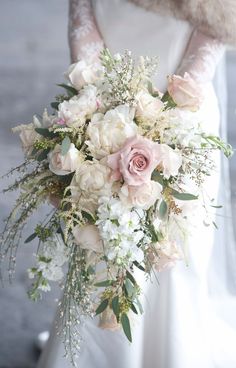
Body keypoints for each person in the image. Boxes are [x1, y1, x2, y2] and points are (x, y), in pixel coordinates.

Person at [37, 1, 236, 367]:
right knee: (97, 238)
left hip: (183, 106)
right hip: (104, 89)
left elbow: (221, 19)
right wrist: (92, 94)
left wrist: (169, 117)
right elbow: (82, 12)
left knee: (175, 248)